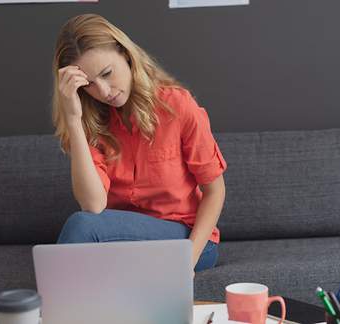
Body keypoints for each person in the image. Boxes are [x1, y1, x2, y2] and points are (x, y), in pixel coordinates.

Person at [50, 13, 227, 275]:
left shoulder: (177, 106)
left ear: (126, 54)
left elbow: (214, 192)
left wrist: (186, 260)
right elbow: (93, 205)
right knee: (86, 235)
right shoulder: (91, 122)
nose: (104, 91)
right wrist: (74, 120)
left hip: (187, 240)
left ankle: (47, 313)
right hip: (121, 242)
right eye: (89, 85)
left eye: (107, 73)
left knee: (83, 228)